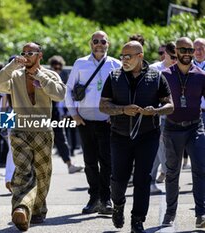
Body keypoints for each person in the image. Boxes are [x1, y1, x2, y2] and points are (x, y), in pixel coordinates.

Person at [99, 41, 174, 232]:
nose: (123, 60)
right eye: (122, 56)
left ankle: (138, 220)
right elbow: (103, 105)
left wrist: (155, 111)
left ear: (140, 56)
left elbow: (170, 105)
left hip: (147, 136)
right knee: (118, 179)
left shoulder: (156, 77)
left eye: (128, 56)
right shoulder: (114, 76)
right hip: (119, 135)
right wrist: (123, 109)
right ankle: (118, 205)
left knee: (143, 179)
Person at [0, 42, 66, 231]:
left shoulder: (50, 75)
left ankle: (37, 210)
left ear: (40, 55)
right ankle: (22, 208)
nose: (25, 56)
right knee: (23, 171)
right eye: (23, 53)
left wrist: (40, 76)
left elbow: (60, 95)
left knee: (43, 174)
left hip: (43, 131)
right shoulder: (15, 75)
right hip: (20, 130)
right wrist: (11, 66)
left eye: (30, 53)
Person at [65, 31, 121, 215]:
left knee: (107, 163)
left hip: (107, 122)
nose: (99, 44)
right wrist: (74, 114)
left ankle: (106, 200)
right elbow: (69, 89)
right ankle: (93, 198)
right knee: (89, 162)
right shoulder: (80, 63)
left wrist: (116, 115)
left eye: (102, 41)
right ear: (90, 43)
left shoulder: (116, 64)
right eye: (95, 41)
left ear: (108, 44)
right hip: (85, 121)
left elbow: (122, 93)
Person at [161, 37, 205, 228]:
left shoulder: (201, 75)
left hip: (195, 126)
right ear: (176, 52)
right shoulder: (165, 75)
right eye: (183, 50)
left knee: (200, 169)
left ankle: (201, 214)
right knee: (172, 173)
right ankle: (170, 214)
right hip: (172, 128)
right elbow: (157, 100)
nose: (187, 53)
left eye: (190, 50)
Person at [149, 42, 178, 194]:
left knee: (170, 151)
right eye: (173, 57)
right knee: (159, 150)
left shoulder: (180, 68)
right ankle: (154, 180)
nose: (175, 60)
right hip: (160, 116)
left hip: (177, 115)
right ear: (165, 54)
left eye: (177, 57)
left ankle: (165, 179)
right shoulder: (154, 69)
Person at [48, 55, 83, 174]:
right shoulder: (45, 77)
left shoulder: (62, 77)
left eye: (59, 67)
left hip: (56, 113)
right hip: (41, 113)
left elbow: (64, 97)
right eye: (54, 67)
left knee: (61, 138)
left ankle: (69, 164)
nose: (57, 69)